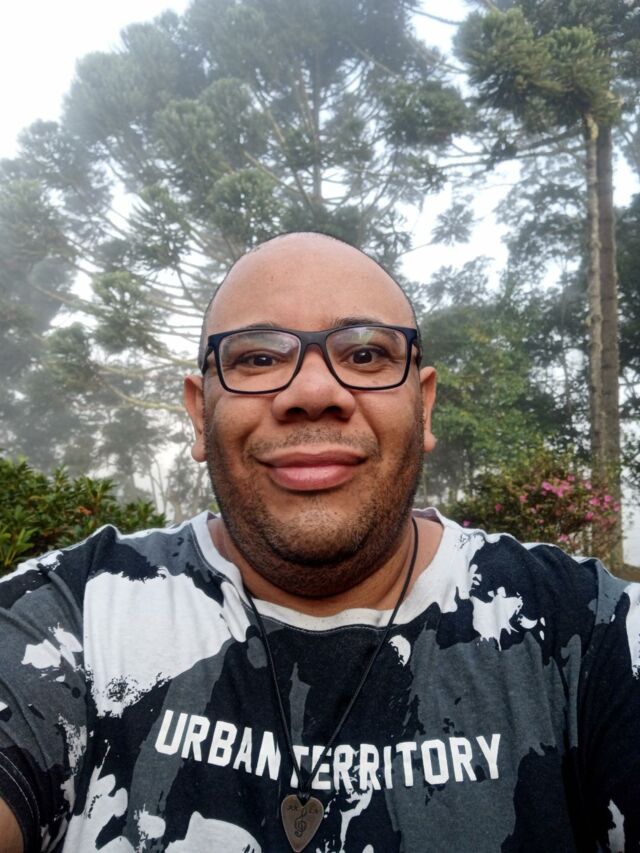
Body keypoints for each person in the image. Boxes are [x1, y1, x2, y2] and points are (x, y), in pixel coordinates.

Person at [0, 232, 639, 853]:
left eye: (365, 355)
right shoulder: (73, 620)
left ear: (423, 406)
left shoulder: (584, 633)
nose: (312, 394)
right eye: (258, 359)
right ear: (199, 413)